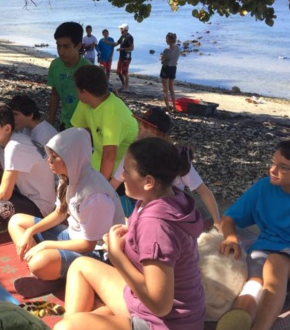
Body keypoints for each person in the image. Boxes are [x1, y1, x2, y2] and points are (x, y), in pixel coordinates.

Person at [54, 137, 206, 330]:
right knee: (80, 266)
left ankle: (84, 319)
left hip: (163, 323)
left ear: (149, 181)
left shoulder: (156, 225)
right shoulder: (166, 197)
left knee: (65, 328)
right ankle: (87, 317)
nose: (122, 175)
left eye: (126, 170)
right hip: (153, 306)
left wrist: (117, 257)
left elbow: (161, 305)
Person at [216, 137, 290, 330]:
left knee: (275, 264)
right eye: (274, 163)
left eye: (283, 167)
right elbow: (229, 218)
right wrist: (231, 237)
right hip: (262, 253)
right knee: (253, 288)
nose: (273, 170)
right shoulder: (264, 187)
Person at [8, 128, 125, 298]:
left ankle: (49, 272)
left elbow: (88, 245)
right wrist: (30, 232)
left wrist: (45, 245)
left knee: (39, 262)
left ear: (72, 159)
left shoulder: (95, 195)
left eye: (55, 157)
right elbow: (60, 212)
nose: (49, 160)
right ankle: (51, 272)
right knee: (16, 221)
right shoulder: (68, 177)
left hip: (97, 253)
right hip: (73, 236)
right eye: (49, 155)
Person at [110, 107, 221, 227]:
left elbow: (204, 192)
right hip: (138, 205)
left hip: (170, 212)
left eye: (147, 131)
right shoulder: (133, 154)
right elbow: (112, 186)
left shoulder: (176, 158)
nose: (140, 134)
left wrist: (217, 222)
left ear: (161, 136)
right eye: (140, 128)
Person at [0, 102, 56, 241]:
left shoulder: (16, 146)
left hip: (38, 206)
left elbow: (3, 195)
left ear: (7, 128)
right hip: (19, 193)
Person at [70, 65, 138, 181]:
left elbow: (109, 156)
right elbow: (76, 133)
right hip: (97, 157)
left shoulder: (112, 112)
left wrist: (100, 187)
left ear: (84, 92)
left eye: (77, 89)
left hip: (123, 168)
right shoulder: (85, 102)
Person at [47, 22, 91, 130]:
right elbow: (55, 94)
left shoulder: (88, 69)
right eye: (58, 46)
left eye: (66, 47)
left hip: (87, 127)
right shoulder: (55, 65)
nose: (61, 51)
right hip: (65, 122)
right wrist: (50, 123)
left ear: (78, 46)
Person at [103, 23, 134, 93]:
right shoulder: (122, 36)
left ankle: (126, 87)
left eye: (121, 29)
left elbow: (132, 48)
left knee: (125, 72)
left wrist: (122, 49)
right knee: (118, 71)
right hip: (121, 57)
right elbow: (116, 43)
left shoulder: (129, 37)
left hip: (126, 57)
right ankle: (123, 85)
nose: (120, 30)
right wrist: (107, 42)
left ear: (124, 29)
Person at [160, 32, 180, 112]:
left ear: (169, 40)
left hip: (166, 68)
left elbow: (162, 61)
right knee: (171, 88)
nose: (165, 40)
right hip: (173, 68)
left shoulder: (166, 50)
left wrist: (161, 58)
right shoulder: (178, 48)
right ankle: (174, 106)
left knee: (165, 89)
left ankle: (168, 107)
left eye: (166, 38)